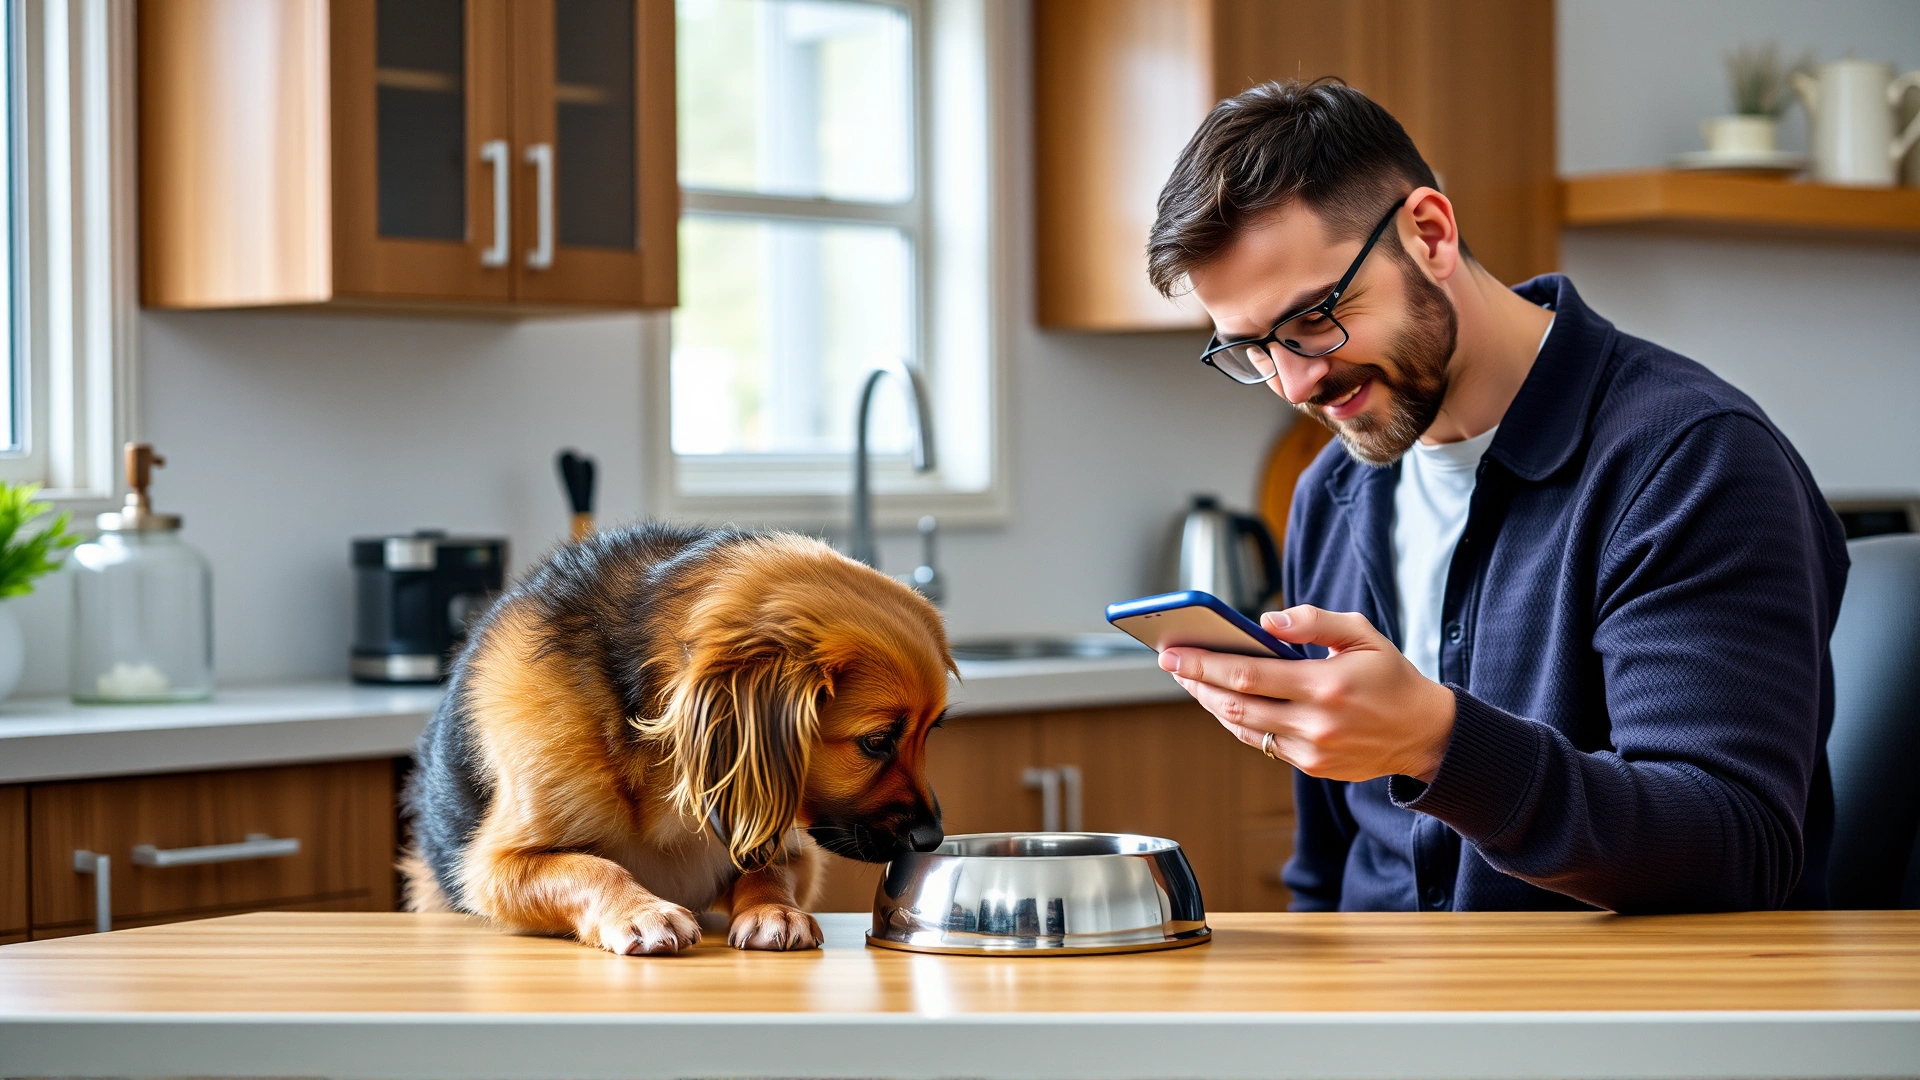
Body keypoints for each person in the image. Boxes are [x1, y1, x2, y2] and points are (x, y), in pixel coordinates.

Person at [1146, 79, 1846, 913]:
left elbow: (1735, 846)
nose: (1296, 382)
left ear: (1430, 234)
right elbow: (1327, 872)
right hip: (1388, 1021)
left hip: (1620, 1023)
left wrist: (1437, 743)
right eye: (1252, 349)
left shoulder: (1691, 461)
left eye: (1315, 318)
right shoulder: (1331, 492)